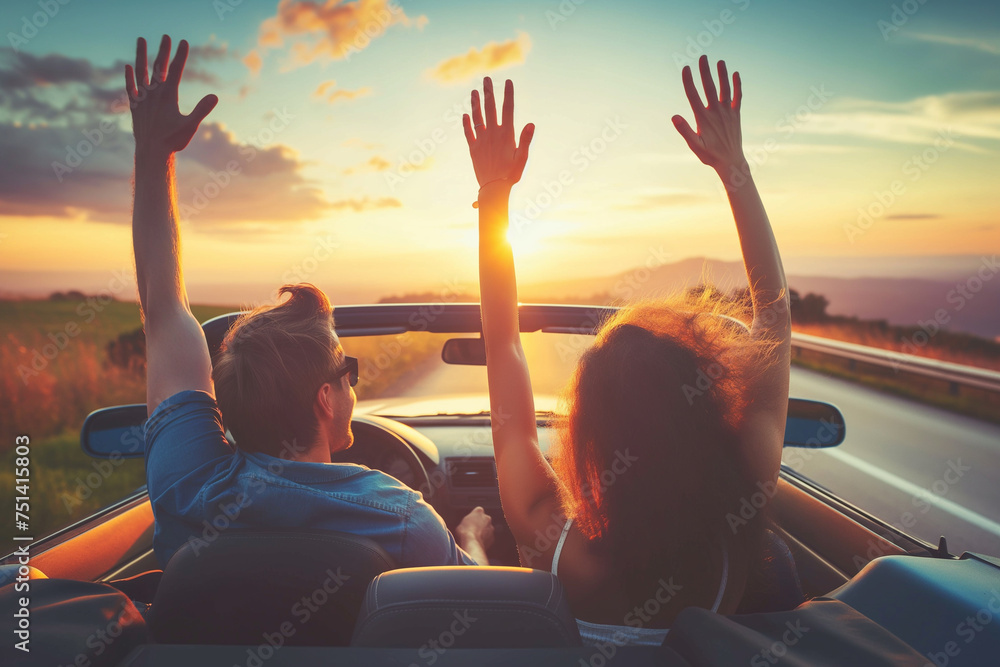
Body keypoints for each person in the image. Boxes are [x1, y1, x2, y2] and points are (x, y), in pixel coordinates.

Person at [125, 35, 494, 569]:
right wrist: (473, 536)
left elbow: (162, 310)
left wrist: (152, 151)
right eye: (348, 369)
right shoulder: (401, 519)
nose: (353, 382)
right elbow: (474, 601)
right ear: (325, 398)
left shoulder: (188, 482)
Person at [464, 56, 790, 646]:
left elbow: (505, 345)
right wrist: (734, 169)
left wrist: (493, 194)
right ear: (706, 409)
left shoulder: (555, 539)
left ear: (591, 435)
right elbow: (774, 319)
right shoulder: (741, 507)